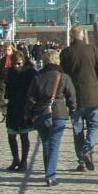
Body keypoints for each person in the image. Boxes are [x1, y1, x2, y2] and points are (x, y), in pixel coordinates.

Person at [26, 49, 76, 187]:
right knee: (54, 145)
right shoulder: (63, 76)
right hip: (59, 113)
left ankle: (49, 173)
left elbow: (30, 98)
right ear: (57, 60)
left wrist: (29, 114)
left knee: (46, 144)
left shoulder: (37, 77)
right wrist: (72, 109)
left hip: (41, 113)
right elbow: (71, 95)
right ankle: (50, 176)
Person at [60, 25, 98, 172]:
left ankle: (81, 162)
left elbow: (64, 77)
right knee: (94, 126)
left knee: (77, 131)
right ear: (83, 36)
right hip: (93, 97)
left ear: (71, 37)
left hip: (74, 98)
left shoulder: (65, 53)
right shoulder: (92, 50)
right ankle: (87, 149)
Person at [4, 51, 37, 171]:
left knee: (24, 134)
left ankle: (24, 161)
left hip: (25, 107)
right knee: (11, 135)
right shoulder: (11, 72)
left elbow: (34, 89)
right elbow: (7, 88)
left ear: (23, 61)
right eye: (14, 64)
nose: (16, 66)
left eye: (18, 64)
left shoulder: (30, 72)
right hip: (13, 106)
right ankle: (15, 159)